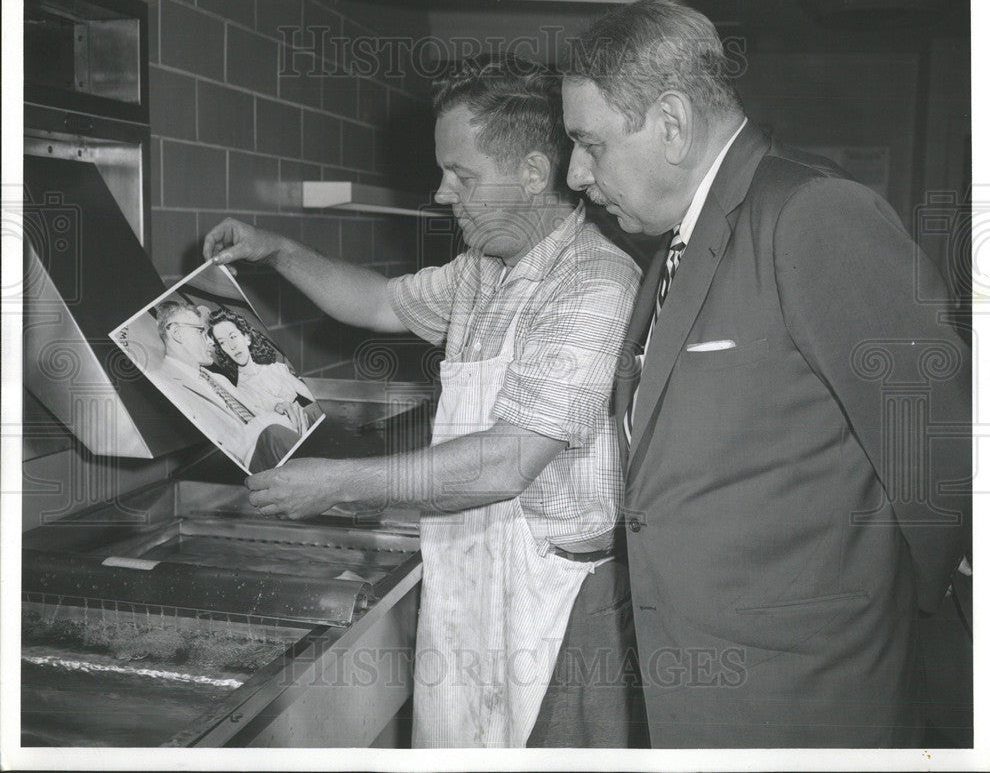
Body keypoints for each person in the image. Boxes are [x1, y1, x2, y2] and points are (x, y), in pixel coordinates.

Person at [561, 0, 971, 748]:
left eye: (590, 144)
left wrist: (873, 622)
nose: (576, 174)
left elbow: (944, 462)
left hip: (804, 700)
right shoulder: (675, 248)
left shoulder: (814, 217)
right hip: (693, 688)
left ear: (673, 124)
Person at [203, 55, 644, 748]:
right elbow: (377, 302)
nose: (443, 195)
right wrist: (279, 251)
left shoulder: (594, 284)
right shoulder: (481, 270)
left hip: (548, 608)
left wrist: (341, 483)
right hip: (465, 571)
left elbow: (506, 462)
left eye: (461, 176)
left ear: (532, 174)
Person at [145, 300, 301, 472]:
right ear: (177, 334)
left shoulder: (217, 378)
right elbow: (209, 448)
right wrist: (266, 424)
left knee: (311, 411)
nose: (212, 343)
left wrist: (279, 407)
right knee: (277, 435)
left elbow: (256, 407)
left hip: (273, 443)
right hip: (243, 464)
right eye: (201, 332)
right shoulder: (160, 384)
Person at [208, 307, 322, 436]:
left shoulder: (274, 367)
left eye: (233, 337)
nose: (231, 346)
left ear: (247, 338)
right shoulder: (241, 392)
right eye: (223, 342)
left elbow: (312, 395)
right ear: (223, 350)